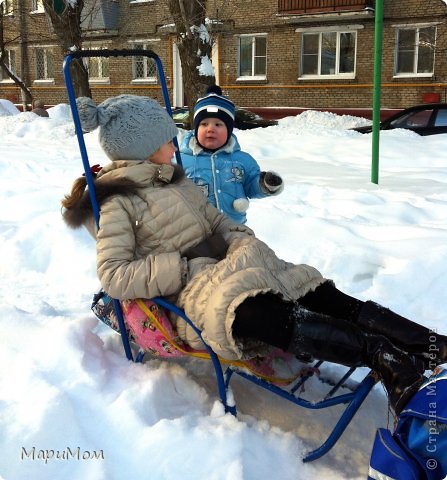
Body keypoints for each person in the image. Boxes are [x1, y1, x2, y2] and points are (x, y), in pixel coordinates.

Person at [62, 94, 447, 417]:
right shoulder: (116, 202)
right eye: (167, 139)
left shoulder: (173, 179)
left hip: (229, 266)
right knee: (260, 312)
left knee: (306, 286)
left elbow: (217, 221)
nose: (175, 144)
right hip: (190, 290)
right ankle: (387, 359)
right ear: (144, 147)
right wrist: (182, 267)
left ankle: (425, 343)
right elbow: (114, 274)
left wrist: (239, 239)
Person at [179, 85, 283, 224]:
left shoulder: (243, 160)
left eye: (218, 124)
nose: (210, 129)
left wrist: (265, 184)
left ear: (229, 130)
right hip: (196, 230)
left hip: (234, 228)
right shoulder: (180, 160)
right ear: (196, 129)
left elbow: (251, 186)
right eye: (204, 124)